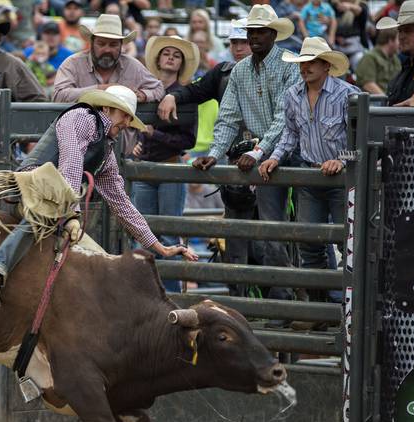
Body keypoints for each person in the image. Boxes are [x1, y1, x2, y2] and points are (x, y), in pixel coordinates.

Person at [0, 85, 198, 303]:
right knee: (46, 211)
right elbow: (71, 163)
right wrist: (72, 213)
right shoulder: (82, 117)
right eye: (124, 115)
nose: (127, 122)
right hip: (31, 186)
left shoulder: (106, 154)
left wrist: (159, 246)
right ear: (106, 109)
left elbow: (122, 204)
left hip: (61, 204)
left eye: (130, 118)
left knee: (98, 260)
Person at [183, 6, 301, 315]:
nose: (254, 37)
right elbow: (228, 118)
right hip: (256, 157)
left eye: (260, 31)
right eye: (252, 32)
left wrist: (258, 151)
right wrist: (213, 153)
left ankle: (292, 305)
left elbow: (285, 118)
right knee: (256, 235)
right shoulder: (239, 71)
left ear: (273, 34)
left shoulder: (288, 66)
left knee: (291, 235)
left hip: (289, 155)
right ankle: (263, 306)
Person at [258, 37, 359, 328]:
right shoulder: (292, 95)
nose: (306, 68)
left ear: (326, 65)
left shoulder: (347, 95)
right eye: (303, 63)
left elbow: (361, 141)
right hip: (309, 175)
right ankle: (321, 310)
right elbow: (289, 136)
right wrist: (275, 157)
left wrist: (342, 160)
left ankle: (343, 307)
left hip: (342, 180)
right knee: (309, 243)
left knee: (347, 243)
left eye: (312, 62)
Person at [133, 36, 199, 292]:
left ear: (180, 63)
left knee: (168, 235)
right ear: (159, 59)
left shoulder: (187, 97)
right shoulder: (148, 93)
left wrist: (152, 135)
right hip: (147, 167)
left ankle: (168, 295)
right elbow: (140, 126)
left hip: (170, 167)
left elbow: (189, 140)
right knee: (142, 234)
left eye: (176, 55)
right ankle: (144, 294)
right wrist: (140, 141)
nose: (170, 57)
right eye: (166, 53)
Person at [52, 14, 165, 103]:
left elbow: (159, 88)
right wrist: (101, 89)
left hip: (123, 132)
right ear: (91, 43)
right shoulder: (72, 63)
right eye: (101, 44)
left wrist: (144, 95)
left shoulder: (132, 65)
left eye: (113, 45)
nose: (107, 50)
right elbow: (58, 96)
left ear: (121, 46)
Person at [355, 29, 401, 94]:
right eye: (398, 40)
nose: (400, 43)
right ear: (390, 41)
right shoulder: (370, 57)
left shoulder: (395, 59)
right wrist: (386, 101)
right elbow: (368, 84)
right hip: (375, 100)